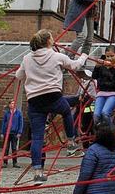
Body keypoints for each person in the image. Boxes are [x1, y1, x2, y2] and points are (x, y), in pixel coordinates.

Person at [15, 29, 89, 185]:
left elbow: (18, 76)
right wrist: (83, 56)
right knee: (67, 112)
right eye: (52, 37)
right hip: (52, 96)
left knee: (37, 137)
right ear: (49, 41)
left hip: (34, 100)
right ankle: (70, 143)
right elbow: (75, 66)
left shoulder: (27, 58)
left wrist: (30, 70)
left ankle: (37, 172)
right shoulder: (57, 56)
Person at [92, 45, 115, 126]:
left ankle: (110, 134)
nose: (109, 58)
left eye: (112, 56)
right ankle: (99, 133)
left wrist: (112, 68)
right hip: (102, 92)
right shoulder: (102, 67)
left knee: (105, 113)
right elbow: (94, 76)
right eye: (107, 56)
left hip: (114, 93)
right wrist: (97, 67)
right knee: (96, 115)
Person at [0, 100, 23, 168]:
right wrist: (2, 132)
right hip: (7, 132)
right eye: (10, 103)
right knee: (6, 148)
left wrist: (19, 132)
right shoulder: (6, 113)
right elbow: (4, 123)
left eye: (13, 103)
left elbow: (21, 123)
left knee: (14, 148)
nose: (12, 105)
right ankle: (5, 162)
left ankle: (15, 162)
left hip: (14, 132)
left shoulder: (19, 113)